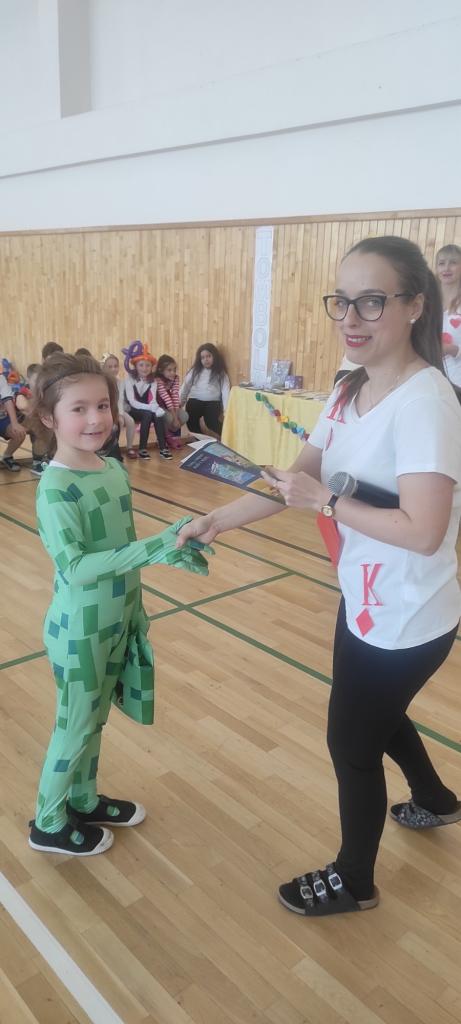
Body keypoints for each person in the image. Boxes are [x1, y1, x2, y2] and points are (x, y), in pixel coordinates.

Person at [177, 236, 461, 918]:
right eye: (343, 301)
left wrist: (328, 503)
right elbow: (297, 479)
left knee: (350, 743)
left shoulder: (426, 403)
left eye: (373, 301)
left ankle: (354, 880)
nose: (351, 318)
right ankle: (436, 798)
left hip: (406, 613)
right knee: (373, 715)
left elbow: (423, 531)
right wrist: (218, 520)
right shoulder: (347, 386)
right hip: (364, 593)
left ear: (414, 305)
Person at [27, 352, 212, 856]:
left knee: (95, 720)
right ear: (48, 418)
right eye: (79, 408)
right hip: (79, 629)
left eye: (103, 406)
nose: (95, 419)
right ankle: (48, 821)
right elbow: (77, 567)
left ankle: (83, 799)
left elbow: (122, 551)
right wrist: (158, 547)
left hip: (117, 618)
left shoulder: (111, 469)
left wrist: (136, 609)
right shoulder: (55, 487)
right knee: (75, 724)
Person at [123, 342, 172, 460]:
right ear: (136, 366)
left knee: (157, 415)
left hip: (146, 408)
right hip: (131, 409)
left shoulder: (153, 381)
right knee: (148, 414)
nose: (144, 368)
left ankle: (163, 447)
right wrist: (151, 408)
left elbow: (152, 400)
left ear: (151, 367)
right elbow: (132, 402)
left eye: (148, 365)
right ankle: (142, 448)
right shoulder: (129, 380)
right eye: (141, 365)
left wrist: (156, 408)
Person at [180, 343, 231, 437]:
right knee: (191, 422)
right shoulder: (195, 371)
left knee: (212, 423)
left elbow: (225, 390)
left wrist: (226, 410)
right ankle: (200, 439)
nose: (206, 360)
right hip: (195, 400)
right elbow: (186, 386)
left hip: (212, 402)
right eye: (203, 358)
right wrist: (180, 402)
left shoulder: (220, 372)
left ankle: (228, 437)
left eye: (208, 356)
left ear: (214, 356)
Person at [15, 363, 51, 475]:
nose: (39, 383)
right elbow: (22, 405)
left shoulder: (43, 392)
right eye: (36, 380)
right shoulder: (24, 391)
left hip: (34, 420)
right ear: (28, 379)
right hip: (19, 422)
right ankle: (37, 462)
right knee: (39, 426)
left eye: (41, 380)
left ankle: (49, 458)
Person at [102, 353, 138, 459]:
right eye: (110, 367)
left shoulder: (119, 382)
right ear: (103, 368)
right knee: (114, 425)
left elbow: (119, 400)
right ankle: (109, 449)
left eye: (115, 366)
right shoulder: (101, 381)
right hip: (105, 410)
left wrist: (120, 415)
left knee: (130, 421)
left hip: (116, 409)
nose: (113, 369)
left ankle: (129, 447)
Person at [435, 244, 461, 386]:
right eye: (441, 263)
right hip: (431, 381)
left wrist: (452, 349)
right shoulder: (427, 302)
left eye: (453, 263)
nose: (446, 268)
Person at [154, 354, 192, 449]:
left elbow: (175, 395)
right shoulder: (158, 380)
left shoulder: (175, 378)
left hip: (169, 403)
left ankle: (173, 436)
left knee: (184, 416)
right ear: (161, 370)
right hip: (158, 404)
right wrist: (175, 418)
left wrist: (177, 413)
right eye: (169, 370)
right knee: (170, 418)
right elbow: (165, 397)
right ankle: (163, 437)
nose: (173, 373)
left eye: (174, 370)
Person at [0, 373, 27, 471]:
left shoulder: (1, 378)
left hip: (2, 419)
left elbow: (8, 400)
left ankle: (7, 456)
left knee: (19, 432)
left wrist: (15, 424)